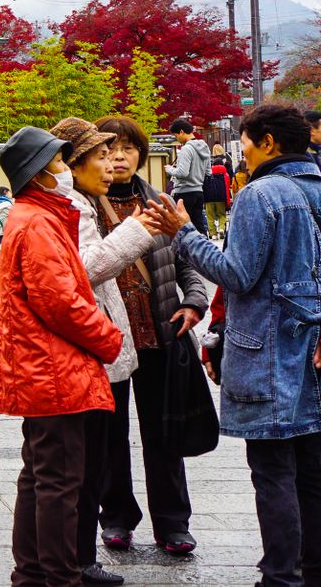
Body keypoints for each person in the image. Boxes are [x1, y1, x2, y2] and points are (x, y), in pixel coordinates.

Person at [149, 103, 321, 587]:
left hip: (267, 354)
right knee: (317, 469)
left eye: (247, 143)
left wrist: (183, 233)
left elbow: (236, 274)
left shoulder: (259, 196)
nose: (244, 153)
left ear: (268, 142)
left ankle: (279, 576)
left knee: (273, 470)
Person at [0, 126, 123, 587]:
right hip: (52, 369)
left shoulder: (35, 217)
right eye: (60, 164)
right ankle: (59, 577)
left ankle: (30, 573)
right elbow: (61, 302)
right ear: (41, 175)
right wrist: (109, 337)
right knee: (60, 483)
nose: (66, 170)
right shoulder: (39, 222)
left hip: (42, 367)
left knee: (41, 477)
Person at [50, 117, 162, 587]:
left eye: (117, 151)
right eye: (99, 154)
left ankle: (79, 555)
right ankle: (76, 558)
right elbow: (82, 269)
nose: (111, 162)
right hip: (86, 349)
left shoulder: (86, 201)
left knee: (99, 454)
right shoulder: (69, 205)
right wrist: (135, 231)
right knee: (81, 461)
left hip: (111, 343)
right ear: (73, 164)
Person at [93, 114, 209, 558]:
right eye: (110, 149)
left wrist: (194, 301)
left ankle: (173, 523)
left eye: (128, 149)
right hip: (108, 338)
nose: (119, 157)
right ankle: (117, 518)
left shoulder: (162, 203)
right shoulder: (85, 207)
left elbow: (190, 261)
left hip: (161, 331)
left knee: (164, 433)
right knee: (109, 434)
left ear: (142, 155)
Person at [164, 120, 211, 235]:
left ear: (181, 132)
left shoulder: (186, 149)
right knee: (199, 226)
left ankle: (184, 252)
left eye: (176, 136)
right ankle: (203, 250)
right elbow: (208, 172)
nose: (177, 139)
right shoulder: (205, 148)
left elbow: (182, 172)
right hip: (199, 192)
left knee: (181, 227)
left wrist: (169, 169)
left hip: (184, 193)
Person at [203, 144, 233, 238]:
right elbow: (228, 186)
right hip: (221, 197)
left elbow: (203, 185)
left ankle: (213, 234)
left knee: (210, 216)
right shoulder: (225, 174)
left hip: (209, 198)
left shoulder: (207, 174)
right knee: (222, 214)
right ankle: (221, 228)